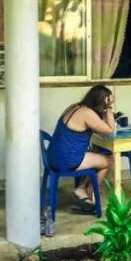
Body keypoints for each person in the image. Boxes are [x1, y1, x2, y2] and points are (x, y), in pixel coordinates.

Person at [48, 84, 118, 215]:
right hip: (67, 160)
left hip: (53, 156)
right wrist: (109, 109)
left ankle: (81, 188)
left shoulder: (76, 107)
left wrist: (104, 110)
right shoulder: (87, 113)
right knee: (109, 161)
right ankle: (89, 195)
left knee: (97, 155)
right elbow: (109, 131)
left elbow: (97, 126)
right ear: (101, 101)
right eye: (106, 103)